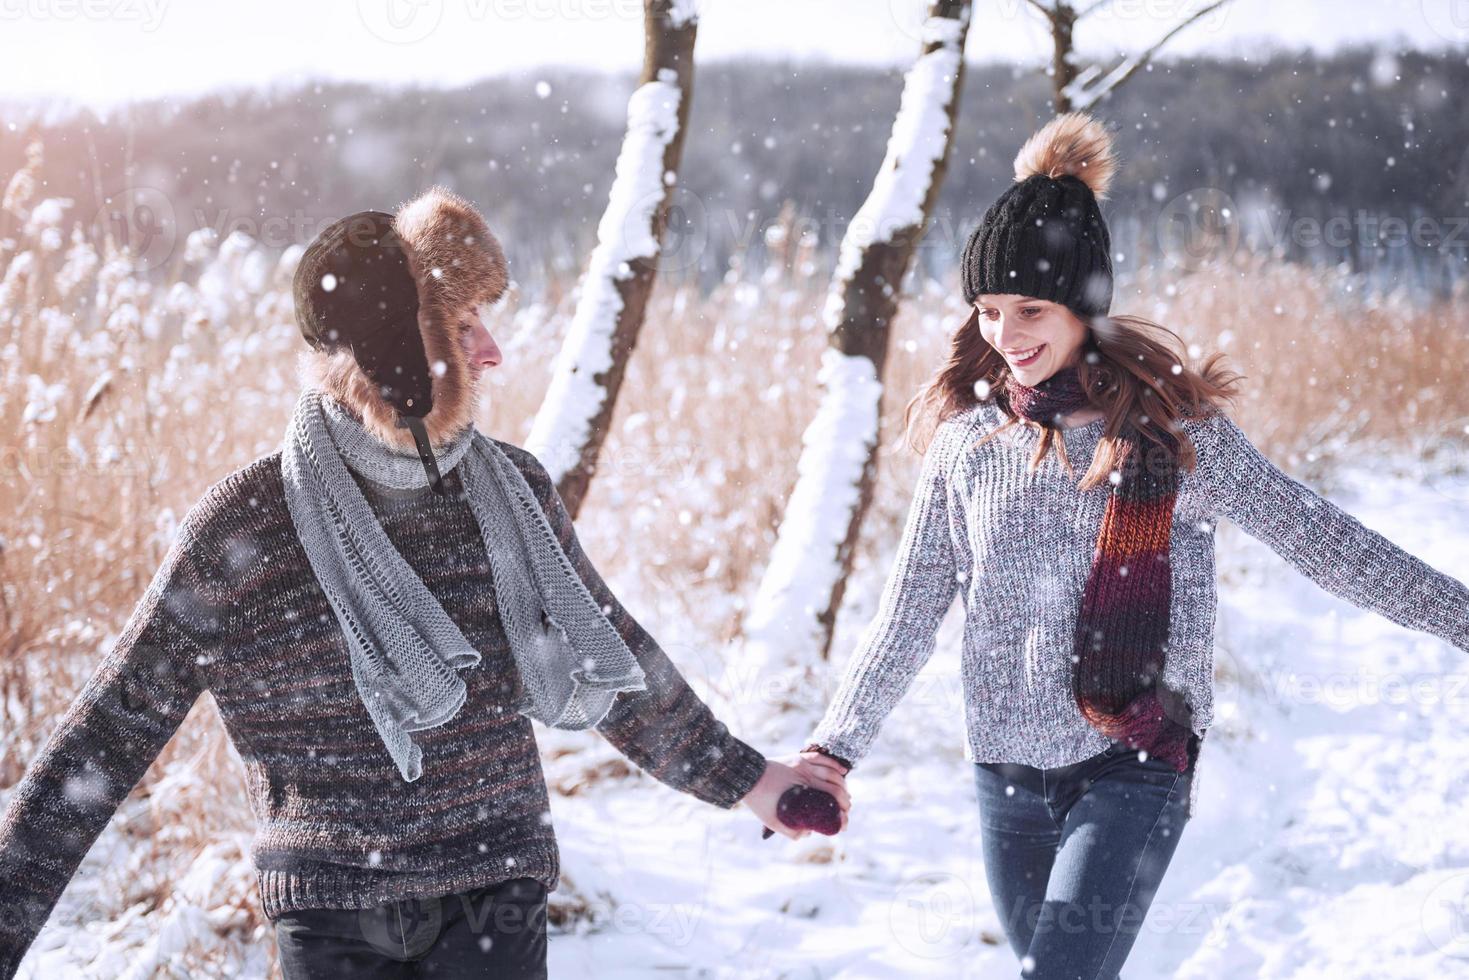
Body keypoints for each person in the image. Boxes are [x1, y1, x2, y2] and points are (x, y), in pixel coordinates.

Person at [0, 186, 848, 980]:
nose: (492, 350)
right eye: (464, 323)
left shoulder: (510, 493)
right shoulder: (246, 524)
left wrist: (747, 779)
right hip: (332, 911)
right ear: (402, 347)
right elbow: (108, 733)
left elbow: (611, 659)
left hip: (495, 890)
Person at [800, 111, 1469, 979]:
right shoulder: (967, 445)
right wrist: (832, 747)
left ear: (1082, 308)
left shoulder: (1174, 436)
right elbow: (907, 614)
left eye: (1029, 309)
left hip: (1134, 756)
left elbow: (1320, 541)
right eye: (989, 310)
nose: (1005, 334)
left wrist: (1459, 616)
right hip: (1003, 767)